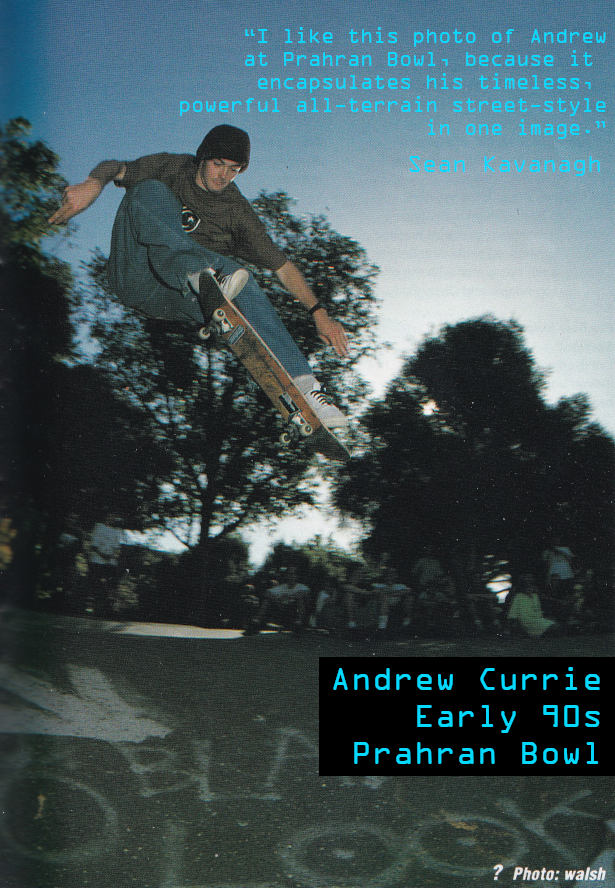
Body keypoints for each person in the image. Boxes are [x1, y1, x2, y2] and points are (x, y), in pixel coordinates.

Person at [49, 125, 348, 428]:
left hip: (176, 298)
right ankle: (198, 273)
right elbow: (118, 168)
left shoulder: (236, 211)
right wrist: (93, 183)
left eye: (234, 170)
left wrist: (318, 312)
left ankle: (307, 389)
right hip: (135, 273)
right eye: (218, 164)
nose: (224, 176)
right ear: (202, 157)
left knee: (243, 280)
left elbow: (282, 267)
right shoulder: (173, 167)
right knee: (149, 189)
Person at [244, 569, 311, 635]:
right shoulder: (282, 587)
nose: (291, 576)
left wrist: (291, 598)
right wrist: (278, 601)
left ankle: (299, 623)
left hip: (294, 612)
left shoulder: (302, 587)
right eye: (289, 574)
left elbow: (305, 593)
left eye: (293, 574)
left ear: (297, 576)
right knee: (267, 600)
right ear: (286, 576)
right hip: (283, 611)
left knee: (300, 600)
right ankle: (255, 622)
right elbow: (267, 593)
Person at [87, 514, 126, 616]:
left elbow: (117, 547)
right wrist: (102, 554)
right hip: (97, 560)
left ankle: (109, 609)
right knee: (96, 583)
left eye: (114, 517)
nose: (111, 519)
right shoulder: (99, 527)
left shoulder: (117, 531)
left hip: (110, 561)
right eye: (110, 516)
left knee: (110, 585)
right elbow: (94, 545)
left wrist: (112, 556)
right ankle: (93, 607)